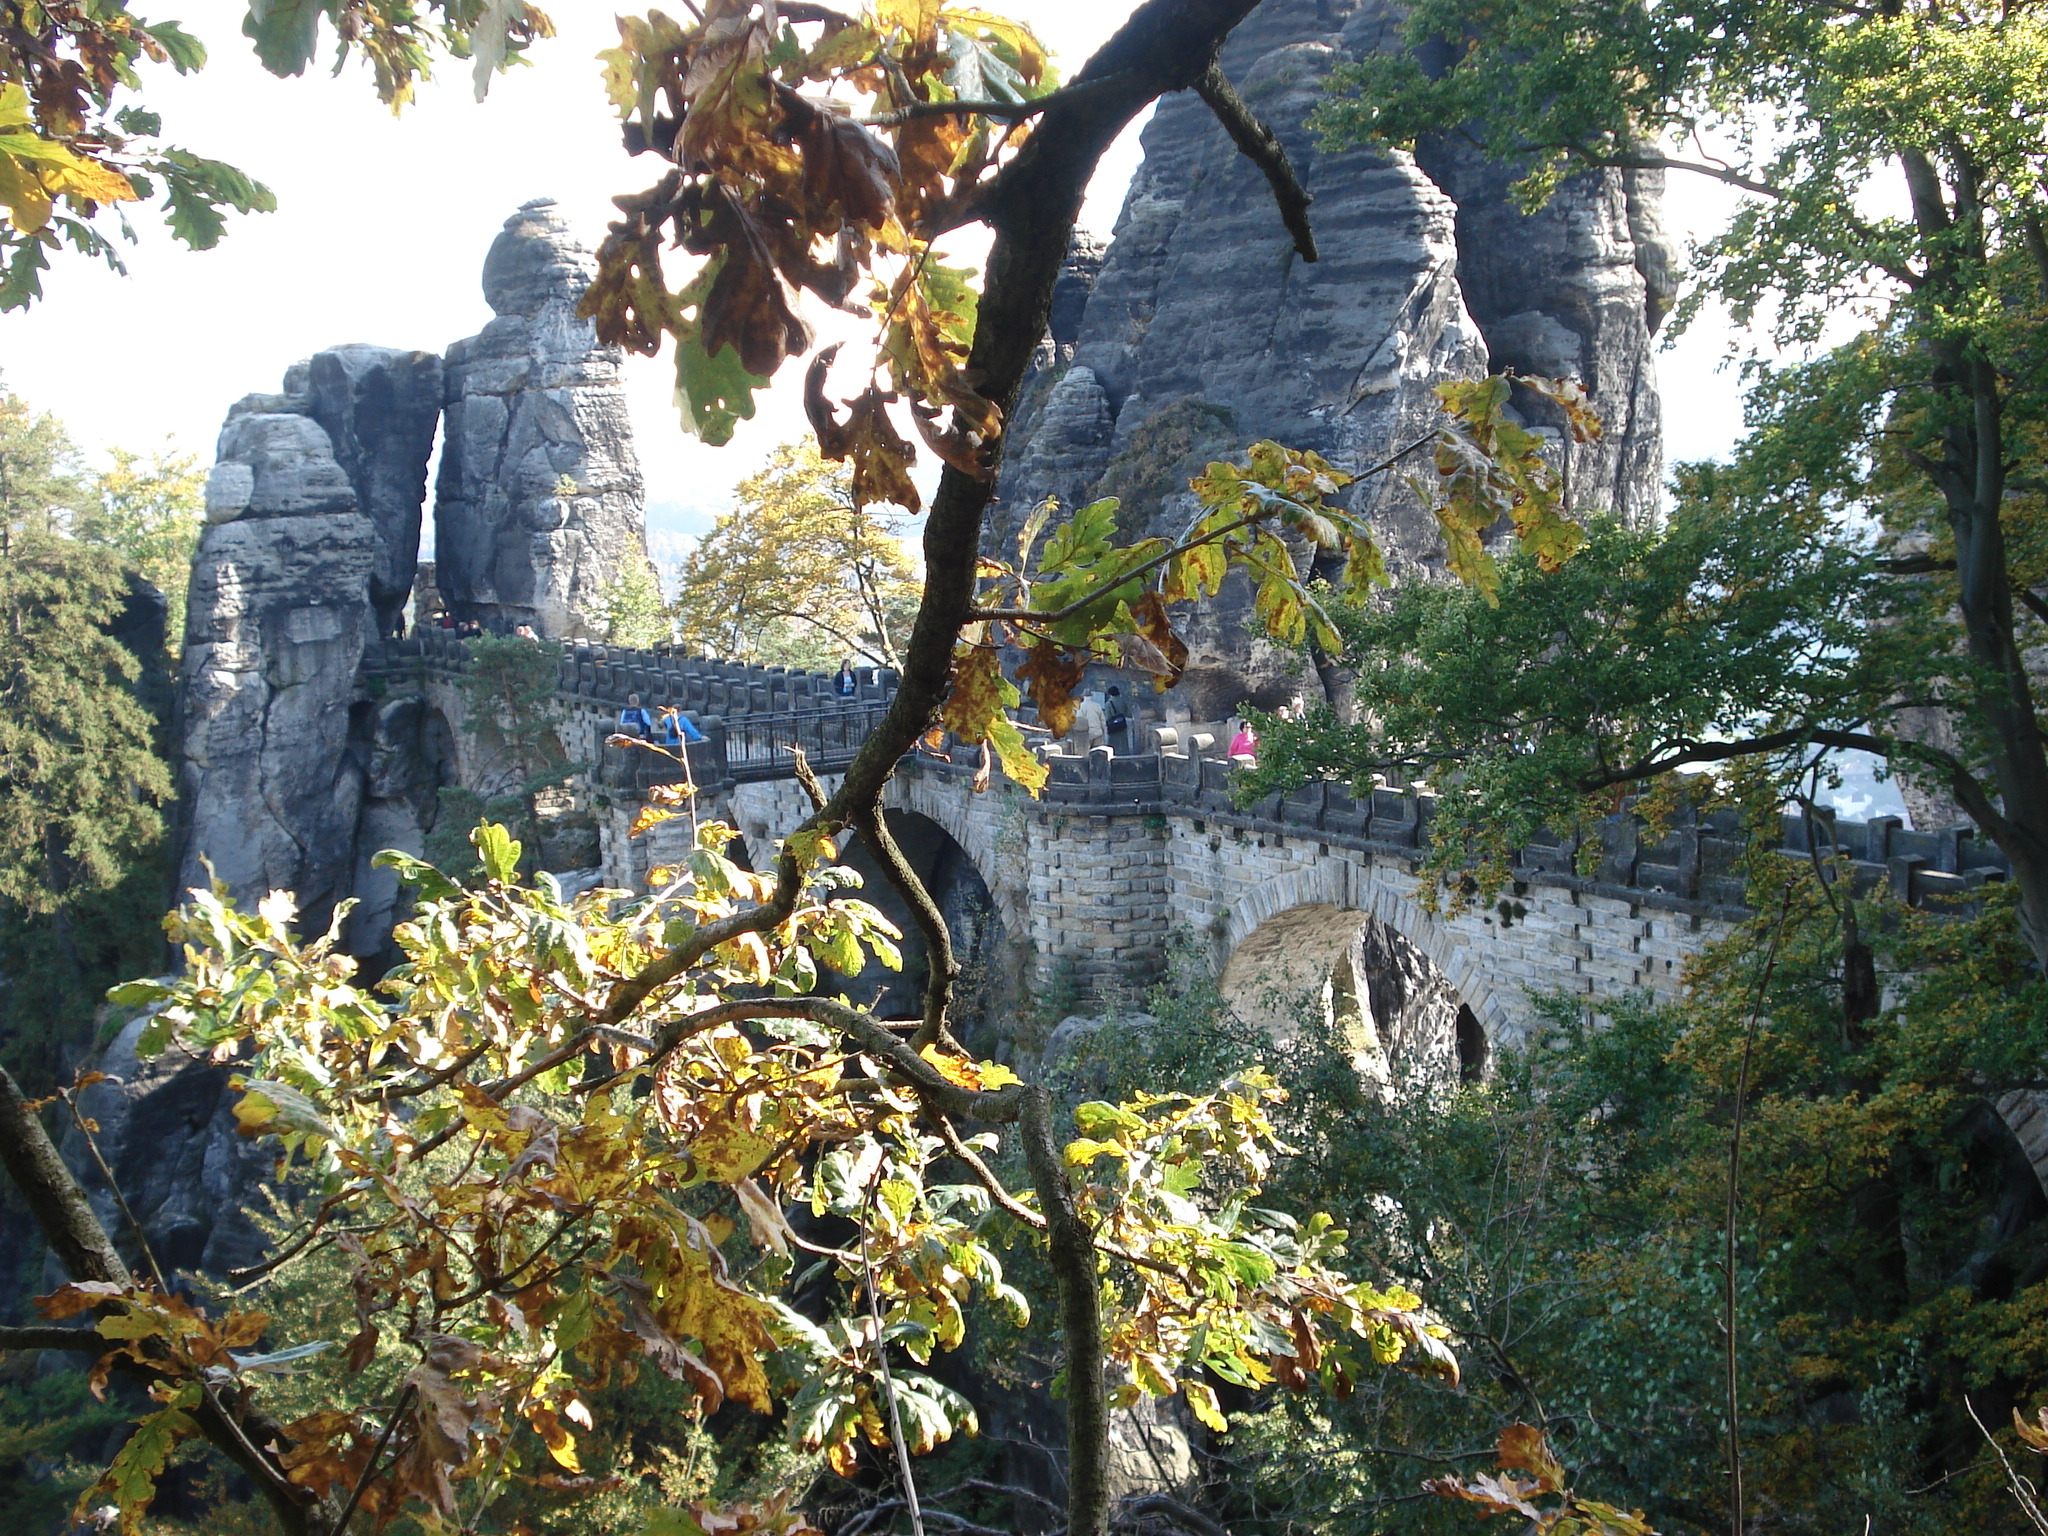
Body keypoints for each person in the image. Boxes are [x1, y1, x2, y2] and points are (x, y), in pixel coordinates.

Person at [1072, 690, 1108, 754]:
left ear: (1083, 696)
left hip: (1087, 735)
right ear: (1091, 696)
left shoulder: (1081, 706)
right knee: (1099, 753)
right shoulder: (1097, 705)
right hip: (1098, 733)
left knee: (1086, 754)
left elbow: (1080, 721)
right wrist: (1104, 729)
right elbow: (1102, 720)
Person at [1105, 684, 1130, 754]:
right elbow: (1127, 712)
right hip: (1122, 724)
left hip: (1113, 726)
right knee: (1123, 742)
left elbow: (1108, 717)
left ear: (1110, 694)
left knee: (1112, 742)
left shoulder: (1108, 703)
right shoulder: (1123, 701)